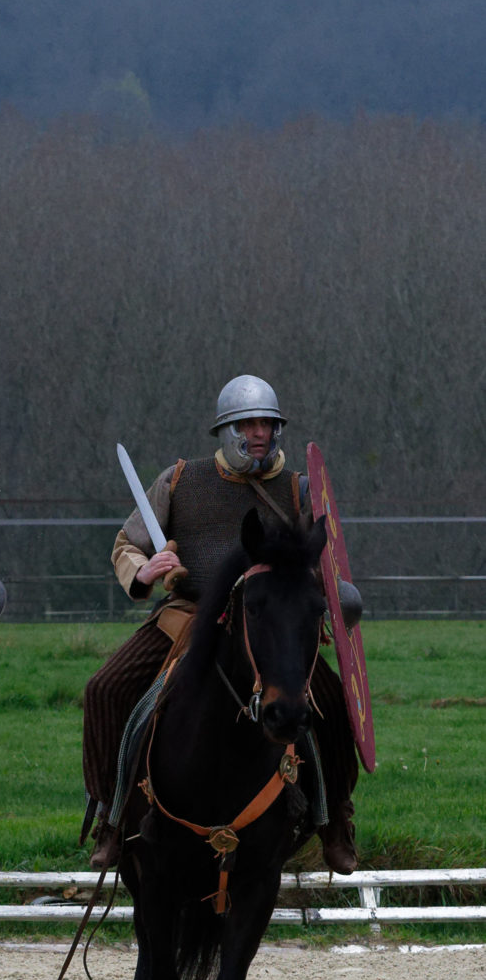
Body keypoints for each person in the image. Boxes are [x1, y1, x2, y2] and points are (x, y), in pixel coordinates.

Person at [81, 374, 359, 873]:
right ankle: (111, 814)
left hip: (269, 625)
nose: (259, 433)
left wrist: (320, 589)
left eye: (267, 424)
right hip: (188, 615)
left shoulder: (299, 490)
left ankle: (334, 817)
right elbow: (127, 544)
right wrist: (144, 570)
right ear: (227, 430)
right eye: (248, 424)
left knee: (332, 701)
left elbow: (323, 562)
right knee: (105, 688)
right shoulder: (179, 481)